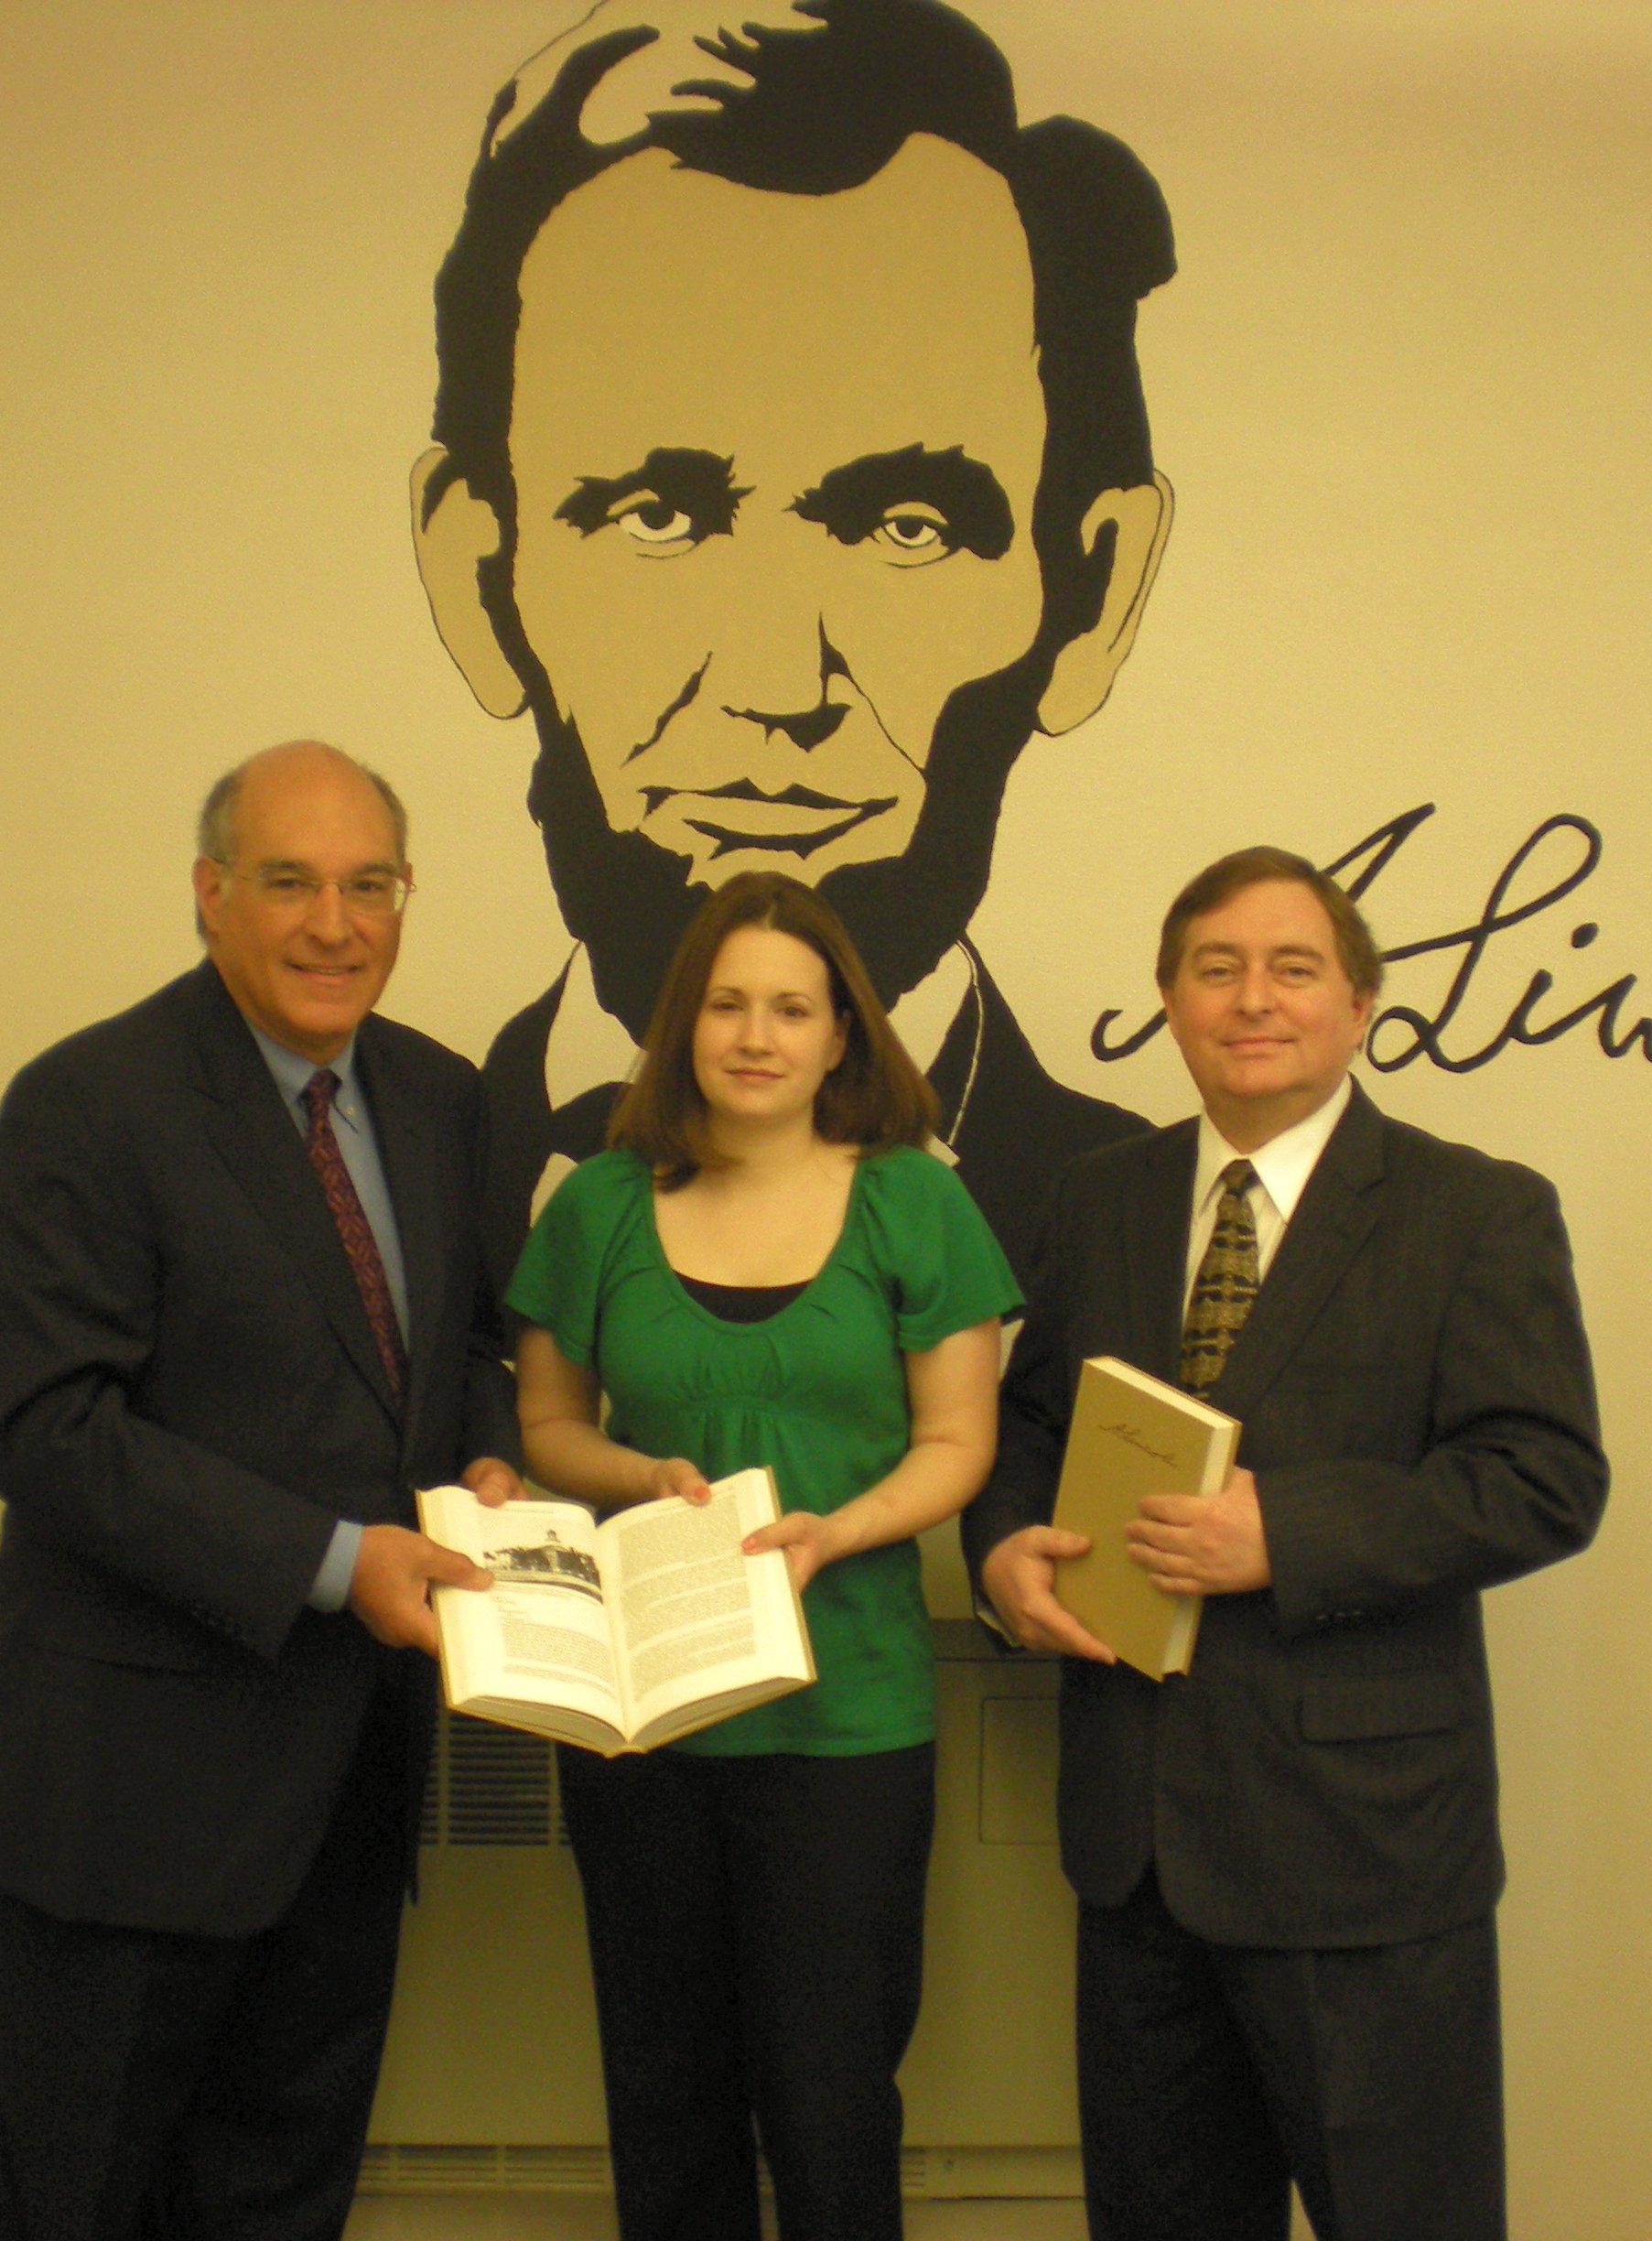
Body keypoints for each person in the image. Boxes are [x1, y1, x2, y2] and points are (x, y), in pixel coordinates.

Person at [410, 0, 1177, 1272]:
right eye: (657, 517)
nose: (778, 687)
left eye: (910, 528)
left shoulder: (1140, 1218)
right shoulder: (387, 1174)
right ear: (477, 580)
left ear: (1092, 597)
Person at [966, 848, 1609, 2241]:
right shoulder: (1098, 1195)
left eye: (1293, 968)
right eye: (1217, 970)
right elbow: (1029, 1420)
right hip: (1136, 1844)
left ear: (1361, 1004)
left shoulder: (1477, 1209)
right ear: (1171, 1002)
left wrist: (1293, 1532)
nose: (1253, 999)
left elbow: (1545, 1477)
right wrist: (1004, 1551)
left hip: (1362, 1853)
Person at [0, 741, 521, 2241]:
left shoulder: (442, 1097)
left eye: (368, 885)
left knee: (285, 2193)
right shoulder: (86, 1104)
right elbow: (46, 1428)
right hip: (134, 1790)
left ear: (406, 897)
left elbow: (466, 1340)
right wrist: (340, 1560)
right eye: (289, 883)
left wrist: (485, 1458)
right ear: (210, 894)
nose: (335, 924)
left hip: (347, 1781)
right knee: (82, 2199)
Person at [502, 869, 1020, 2241]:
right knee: (665, 2095)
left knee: (831, 2101)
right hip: (643, 1716)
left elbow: (957, 1440)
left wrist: (838, 1531)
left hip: (848, 1721)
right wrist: (643, 1477)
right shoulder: (598, 1204)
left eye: (792, 1008)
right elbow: (548, 1424)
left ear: (843, 1033)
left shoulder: (917, 1203)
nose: (756, 1035)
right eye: (727, 1004)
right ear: (682, 1024)